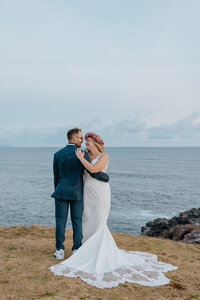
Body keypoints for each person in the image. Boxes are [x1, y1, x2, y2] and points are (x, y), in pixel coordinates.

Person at [49, 132, 177, 288]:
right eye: (85, 140)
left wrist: (81, 159)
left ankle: (93, 251)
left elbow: (95, 170)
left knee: (98, 221)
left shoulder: (102, 156)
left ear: (96, 143)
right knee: (86, 219)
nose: (85, 143)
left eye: (88, 141)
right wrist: (81, 158)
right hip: (86, 192)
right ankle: (82, 249)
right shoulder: (84, 154)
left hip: (99, 193)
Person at [51, 128, 109, 259]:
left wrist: (58, 189)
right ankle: (76, 248)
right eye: (80, 138)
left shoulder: (57, 154)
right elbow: (91, 172)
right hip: (77, 192)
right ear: (73, 138)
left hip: (60, 192)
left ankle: (59, 250)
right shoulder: (83, 154)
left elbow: (56, 176)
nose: (82, 141)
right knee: (77, 221)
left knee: (60, 221)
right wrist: (105, 178)